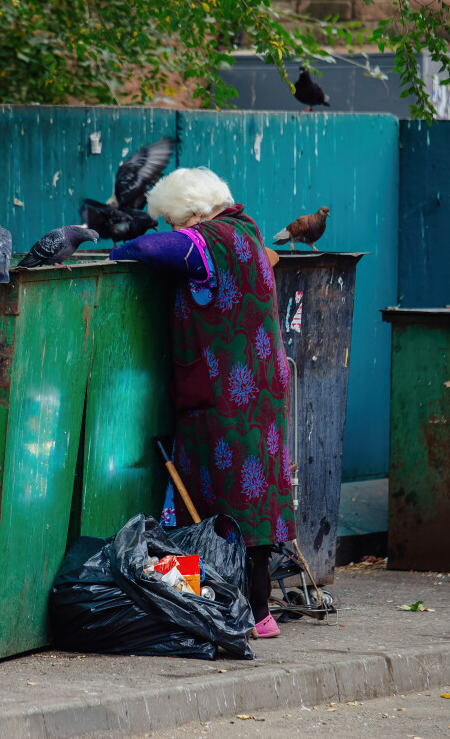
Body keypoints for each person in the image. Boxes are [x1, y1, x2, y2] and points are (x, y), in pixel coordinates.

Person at [109, 167, 295, 639]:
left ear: (192, 214)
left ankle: (220, 607)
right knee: (253, 505)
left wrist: (120, 249)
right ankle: (260, 613)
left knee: (214, 502)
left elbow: (153, 249)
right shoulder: (247, 229)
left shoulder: (207, 240)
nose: (172, 230)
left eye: (173, 220)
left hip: (223, 400)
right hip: (261, 392)